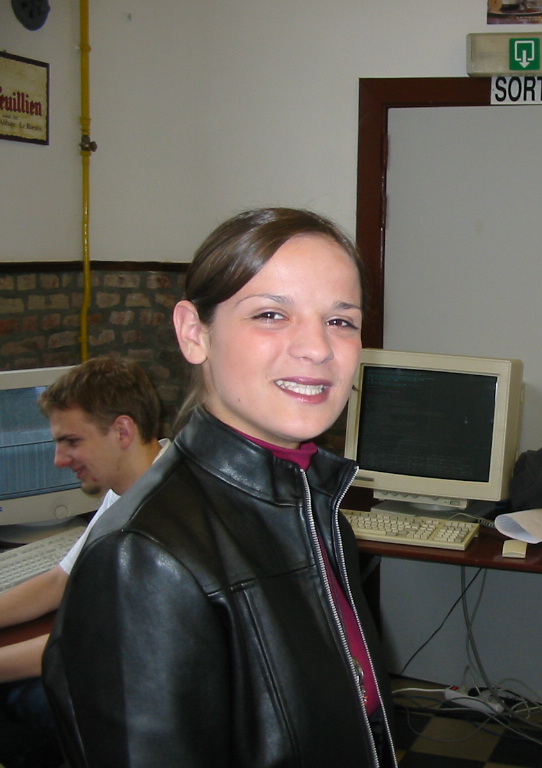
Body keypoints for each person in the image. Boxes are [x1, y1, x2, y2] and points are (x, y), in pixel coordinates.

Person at [43, 208, 398, 768]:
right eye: (271, 314)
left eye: (340, 321)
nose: (317, 348)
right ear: (194, 332)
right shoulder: (142, 558)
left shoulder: (312, 508)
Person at [0, 357, 164, 768]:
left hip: (146, 710)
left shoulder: (161, 519)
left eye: (72, 441)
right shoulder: (129, 486)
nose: (59, 459)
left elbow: (85, 648)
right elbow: (58, 582)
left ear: (122, 431)